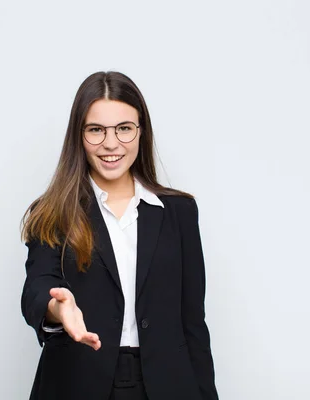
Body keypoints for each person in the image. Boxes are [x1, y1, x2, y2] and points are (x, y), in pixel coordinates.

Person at [20, 71, 218, 400]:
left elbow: (193, 323)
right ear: (79, 136)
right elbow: (36, 289)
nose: (111, 143)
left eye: (124, 129)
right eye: (96, 130)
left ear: (141, 133)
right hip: (77, 382)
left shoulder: (179, 212)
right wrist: (59, 307)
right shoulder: (54, 211)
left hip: (166, 384)